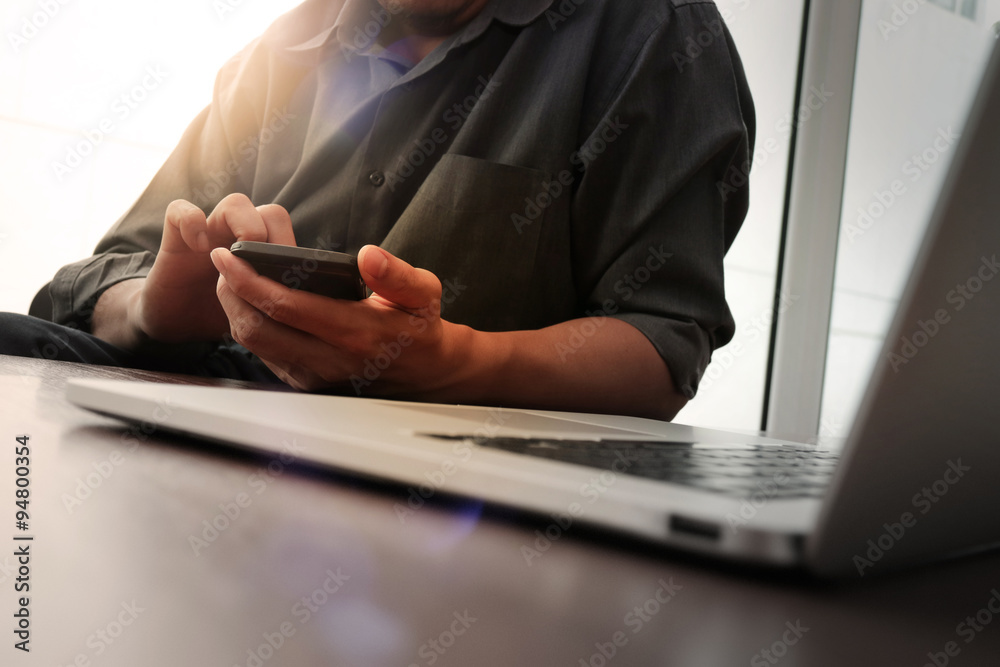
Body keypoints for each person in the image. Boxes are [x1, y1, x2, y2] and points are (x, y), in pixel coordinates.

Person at [1, 0, 755, 421]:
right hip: (220, 411)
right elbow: (84, 290)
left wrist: (457, 362)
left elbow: (661, 345)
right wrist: (152, 309)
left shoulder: (653, 34)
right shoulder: (279, 51)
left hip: (461, 464)